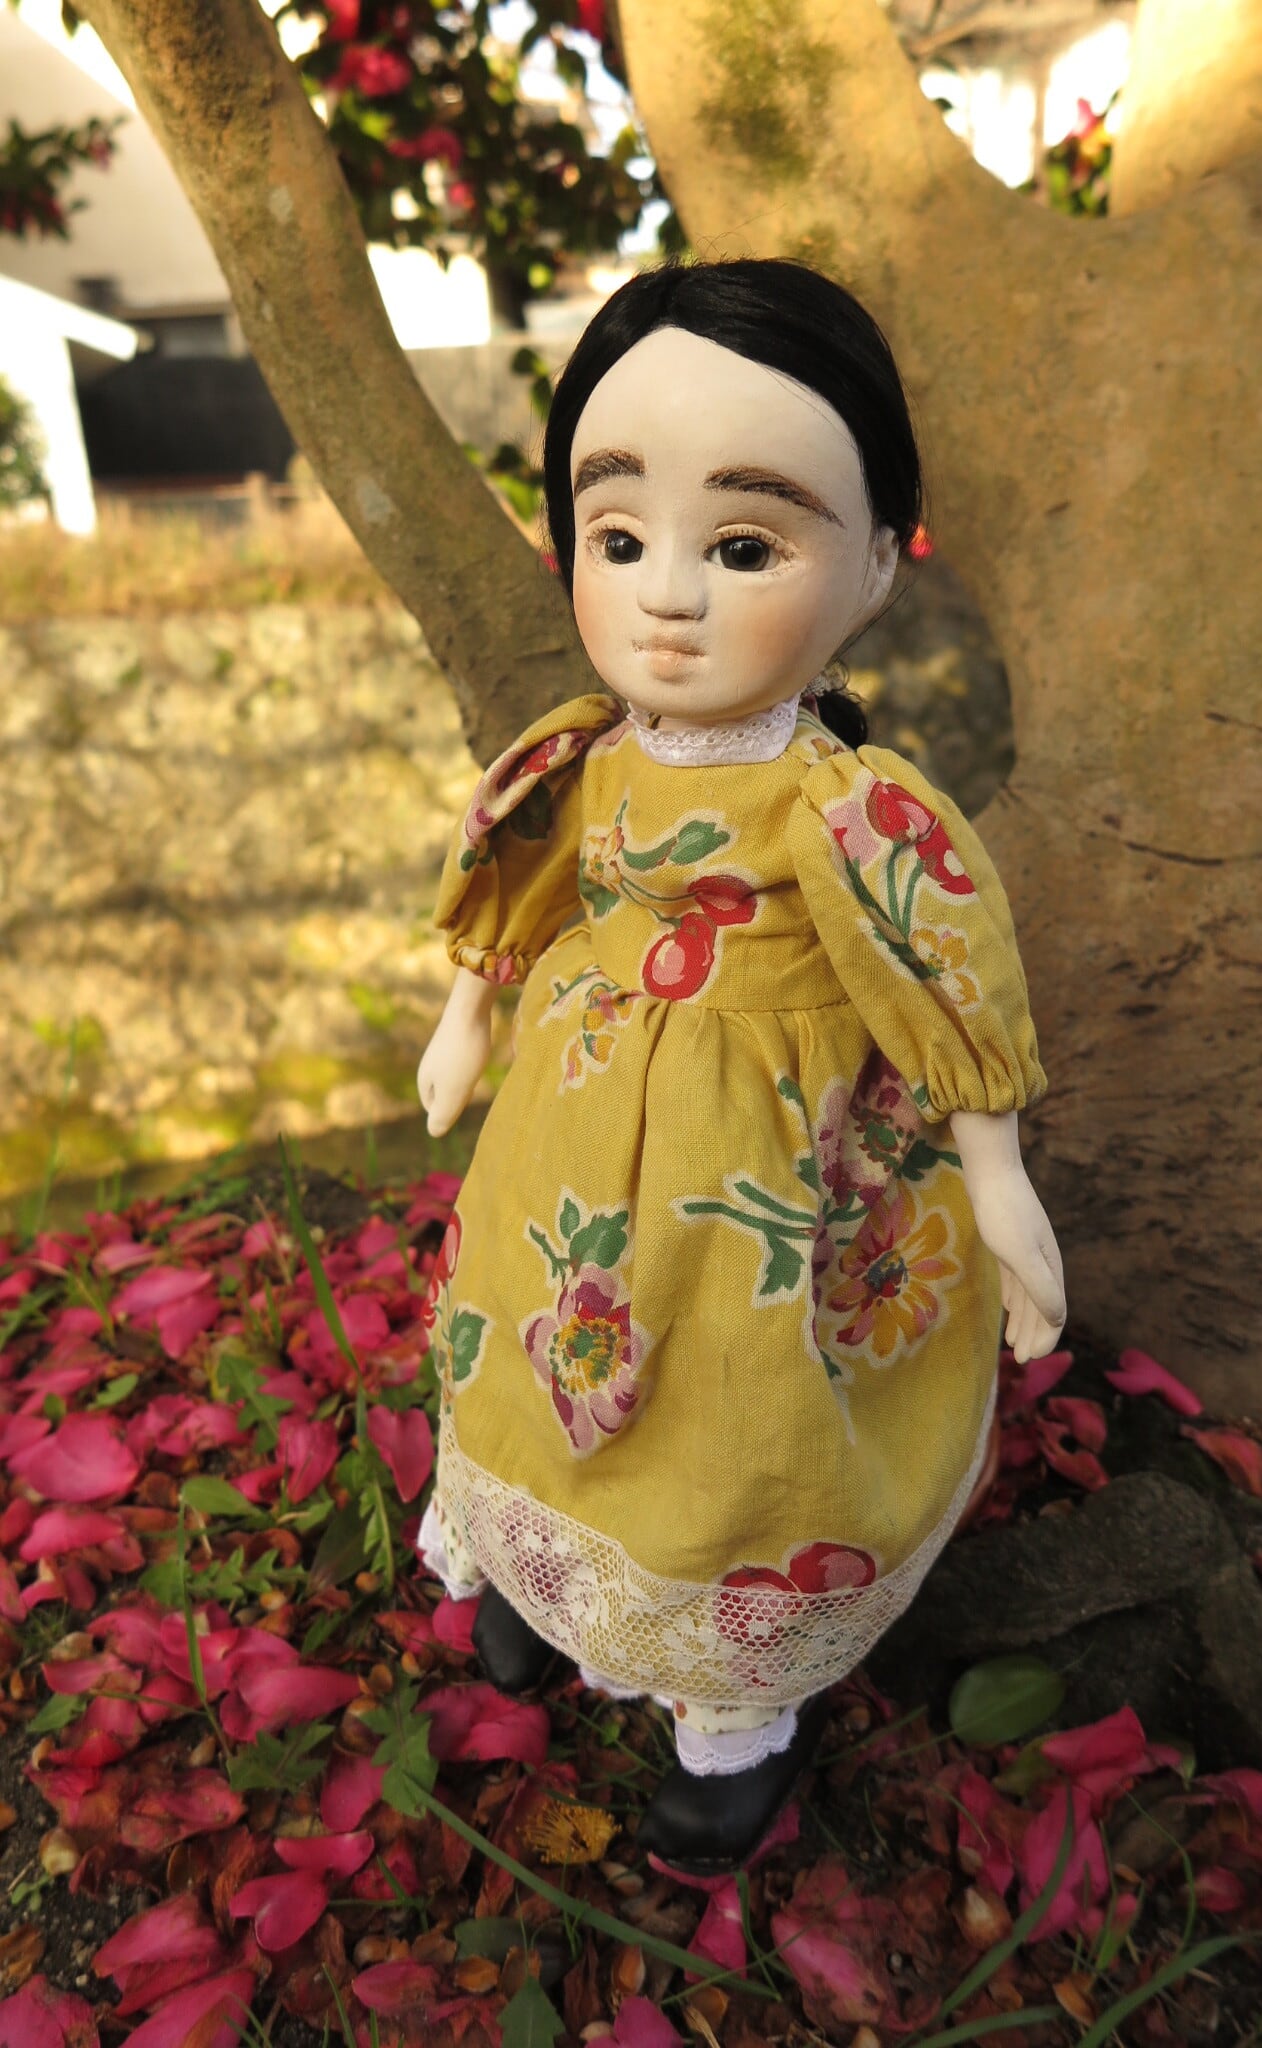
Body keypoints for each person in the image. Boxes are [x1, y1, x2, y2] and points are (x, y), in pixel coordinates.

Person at [415, 259, 1065, 1872]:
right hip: (571, 1123)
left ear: (878, 565)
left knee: (741, 1404)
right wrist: (468, 1015)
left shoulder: (841, 805)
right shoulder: (584, 756)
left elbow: (941, 962)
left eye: (747, 547)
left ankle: (733, 1713)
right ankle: (538, 1571)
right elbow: (524, 882)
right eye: (618, 537)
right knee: (526, 1327)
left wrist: (998, 1182)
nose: (669, 596)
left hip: (776, 1155)